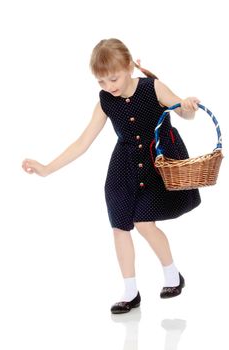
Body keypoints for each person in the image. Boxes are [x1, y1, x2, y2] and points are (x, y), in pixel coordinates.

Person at [22, 38, 201, 314]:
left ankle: (172, 275)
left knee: (144, 223)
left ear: (129, 67)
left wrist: (187, 105)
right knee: (119, 226)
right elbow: (82, 143)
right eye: (101, 82)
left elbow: (183, 111)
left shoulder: (151, 87)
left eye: (113, 78)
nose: (109, 87)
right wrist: (46, 168)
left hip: (157, 163)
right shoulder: (106, 101)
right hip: (124, 168)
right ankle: (130, 292)